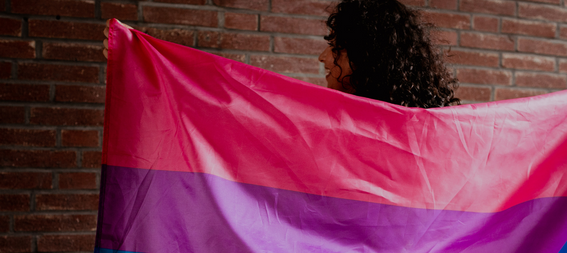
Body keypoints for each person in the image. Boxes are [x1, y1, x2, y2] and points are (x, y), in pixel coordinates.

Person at [103, 0, 459, 108]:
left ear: (368, 58)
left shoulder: (432, 136)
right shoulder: (322, 118)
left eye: (336, 48)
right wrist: (142, 64)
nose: (322, 57)